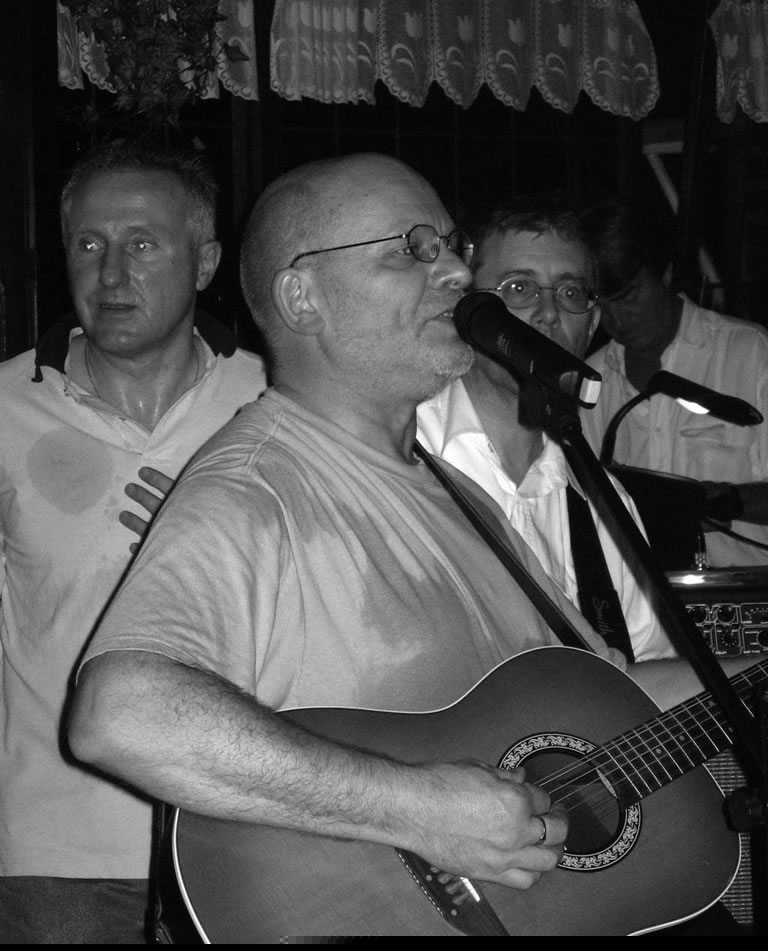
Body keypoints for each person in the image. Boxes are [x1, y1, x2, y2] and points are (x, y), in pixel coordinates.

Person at [67, 153, 757, 938]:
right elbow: (121, 713)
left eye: (452, 247)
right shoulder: (260, 484)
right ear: (301, 297)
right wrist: (420, 808)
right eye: (411, 250)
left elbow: (613, 695)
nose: (457, 272)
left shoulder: (457, 496)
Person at [0, 139, 268, 943]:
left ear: (206, 261)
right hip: (58, 852)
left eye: (142, 244)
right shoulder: (5, 408)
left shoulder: (276, 403)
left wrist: (207, 538)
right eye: (89, 244)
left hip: (246, 835)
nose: (111, 273)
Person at [417, 198, 675, 664]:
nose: (549, 313)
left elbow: (650, 680)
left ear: (591, 324)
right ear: (465, 310)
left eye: (571, 292)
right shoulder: (402, 452)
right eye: (519, 288)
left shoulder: (605, 505)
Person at [579, 198, 768, 568]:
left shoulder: (751, 354)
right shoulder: (592, 380)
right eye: (600, 304)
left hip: (743, 591)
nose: (615, 320)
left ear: (665, 273)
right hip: (642, 595)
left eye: (629, 297)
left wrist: (722, 502)